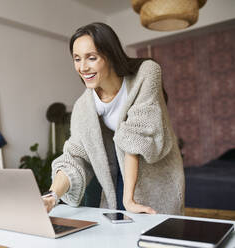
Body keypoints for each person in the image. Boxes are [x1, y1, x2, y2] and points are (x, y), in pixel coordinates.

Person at [42, 23, 184, 215]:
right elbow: (74, 157)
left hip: (156, 176)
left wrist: (128, 200)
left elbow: (135, 139)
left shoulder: (146, 73)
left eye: (91, 58)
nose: (83, 67)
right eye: (77, 59)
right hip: (118, 175)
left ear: (109, 55)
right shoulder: (83, 106)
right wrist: (51, 196)